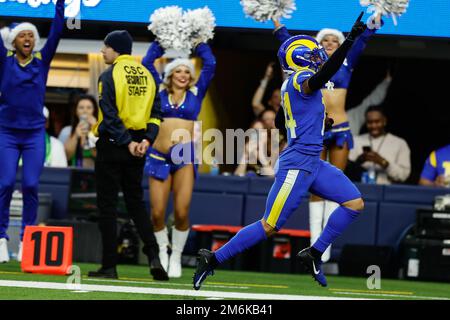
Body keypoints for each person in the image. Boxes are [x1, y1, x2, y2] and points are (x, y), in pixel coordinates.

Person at [193, 13, 367, 290]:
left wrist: (316, 123)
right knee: (269, 225)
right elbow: (325, 73)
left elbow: (279, 121)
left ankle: (314, 252)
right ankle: (212, 259)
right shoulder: (302, 77)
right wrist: (350, 41)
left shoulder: (291, 84)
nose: (320, 55)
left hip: (312, 160)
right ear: (305, 58)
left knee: (354, 203)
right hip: (298, 162)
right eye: (315, 54)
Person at [272, 14, 382, 262]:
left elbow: (363, 38)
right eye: (326, 40)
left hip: (339, 128)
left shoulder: (345, 62)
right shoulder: (306, 71)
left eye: (335, 39)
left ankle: (324, 249)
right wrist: (277, 24)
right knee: (315, 187)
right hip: (315, 131)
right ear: (317, 45)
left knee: (336, 186)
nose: (331, 42)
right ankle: (313, 241)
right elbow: (288, 44)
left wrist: (380, 13)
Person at [87, 30, 168, 281]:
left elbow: (109, 116)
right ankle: (154, 256)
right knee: (136, 204)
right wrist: (145, 140)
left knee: (108, 206)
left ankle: (109, 266)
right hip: (140, 147)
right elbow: (156, 115)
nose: (102, 51)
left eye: (106, 46)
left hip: (113, 146)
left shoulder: (108, 75)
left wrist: (125, 142)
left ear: (116, 49)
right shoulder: (148, 76)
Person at [141, 39, 216, 278]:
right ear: (170, 74)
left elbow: (210, 63)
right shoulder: (157, 91)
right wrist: (162, 41)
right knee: (157, 213)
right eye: (178, 71)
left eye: (187, 71)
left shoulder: (196, 92)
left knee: (182, 212)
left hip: (184, 156)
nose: (183, 75)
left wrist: (199, 42)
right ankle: (163, 250)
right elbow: (146, 62)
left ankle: (177, 256)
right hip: (158, 156)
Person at [0, 0, 65, 264]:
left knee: (30, 184)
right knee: (4, 184)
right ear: (13, 42)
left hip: (34, 134)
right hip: (6, 132)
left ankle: (28, 237)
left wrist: (60, 5)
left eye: (31, 35)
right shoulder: (4, 62)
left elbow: (58, 31)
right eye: (22, 35)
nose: (27, 38)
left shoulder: (42, 61)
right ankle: (1, 238)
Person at [348, 106, 411, 184]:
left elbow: (403, 176)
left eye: (377, 122)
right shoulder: (356, 140)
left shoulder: (400, 143)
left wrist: (382, 162)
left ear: (384, 121)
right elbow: (346, 172)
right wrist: (359, 161)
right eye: (369, 122)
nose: (373, 125)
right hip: (359, 189)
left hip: (388, 192)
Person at [58, 94, 98, 168]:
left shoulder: (101, 132)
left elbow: (101, 155)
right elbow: (65, 156)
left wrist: (94, 130)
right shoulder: (66, 131)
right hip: (73, 174)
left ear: (94, 111)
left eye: (89, 108)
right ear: (76, 111)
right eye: (81, 107)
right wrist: (75, 136)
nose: (85, 111)